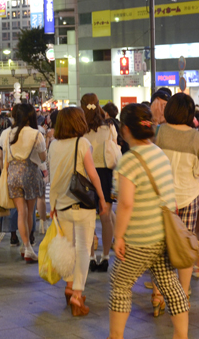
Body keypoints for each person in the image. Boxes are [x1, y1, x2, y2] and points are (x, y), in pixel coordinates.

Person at [109, 103, 189, 339]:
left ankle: (115, 336)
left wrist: (119, 236)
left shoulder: (130, 160)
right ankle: (181, 335)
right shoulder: (158, 153)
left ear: (125, 130)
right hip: (162, 237)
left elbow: (125, 204)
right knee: (171, 287)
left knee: (120, 285)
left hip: (139, 239)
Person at [48, 107, 108, 316]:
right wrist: (101, 197)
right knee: (83, 248)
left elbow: (53, 178)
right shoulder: (82, 143)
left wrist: (52, 205)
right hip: (83, 205)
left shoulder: (53, 146)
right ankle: (77, 294)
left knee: (69, 247)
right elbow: (92, 174)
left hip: (62, 205)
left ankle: (68, 285)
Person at [155, 93, 199, 299]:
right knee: (185, 244)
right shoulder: (198, 138)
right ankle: (183, 291)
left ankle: (158, 293)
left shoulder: (158, 132)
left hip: (161, 197)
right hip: (188, 197)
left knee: (160, 246)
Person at [0, 103, 47, 262]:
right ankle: (28, 248)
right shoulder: (36, 134)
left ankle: (25, 245)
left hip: (13, 174)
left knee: (21, 211)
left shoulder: (7, 133)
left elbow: (4, 155)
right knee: (29, 211)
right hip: (30, 174)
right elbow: (43, 157)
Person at [80, 93, 118, 272]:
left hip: (85, 174)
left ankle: (90, 257)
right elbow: (116, 149)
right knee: (106, 217)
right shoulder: (109, 127)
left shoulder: (79, 128)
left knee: (87, 219)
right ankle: (105, 257)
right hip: (104, 174)